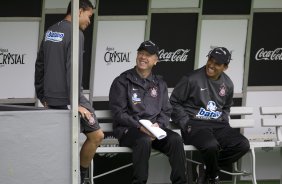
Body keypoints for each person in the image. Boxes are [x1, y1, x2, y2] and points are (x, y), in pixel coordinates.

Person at [34, 0, 104, 183]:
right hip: (70, 97)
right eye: (89, 16)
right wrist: (76, 104)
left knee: (61, 143)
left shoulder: (50, 30)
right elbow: (73, 70)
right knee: (97, 135)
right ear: (79, 11)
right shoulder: (76, 33)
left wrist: (42, 95)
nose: (89, 21)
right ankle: (81, 178)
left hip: (52, 98)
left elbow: (39, 65)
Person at [109, 40, 187, 184]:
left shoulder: (159, 83)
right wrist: (140, 127)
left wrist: (159, 125)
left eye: (148, 55)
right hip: (130, 129)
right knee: (144, 141)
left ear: (155, 61)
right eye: (141, 53)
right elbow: (118, 113)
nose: (143, 57)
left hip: (154, 130)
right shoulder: (122, 81)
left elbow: (166, 110)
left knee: (176, 139)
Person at [169, 47, 250, 184]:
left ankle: (206, 169)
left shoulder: (228, 83)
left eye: (217, 64)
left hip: (218, 125)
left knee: (242, 145)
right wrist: (186, 123)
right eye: (210, 60)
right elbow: (174, 102)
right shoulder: (191, 79)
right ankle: (213, 177)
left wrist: (223, 119)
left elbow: (226, 107)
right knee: (211, 145)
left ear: (225, 67)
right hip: (196, 125)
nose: (211, 65)